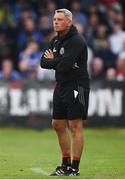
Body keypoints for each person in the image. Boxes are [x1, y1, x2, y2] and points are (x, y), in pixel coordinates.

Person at [40, 8, 90, 176]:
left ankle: (74, 168)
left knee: (75, 126)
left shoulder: (77, 41)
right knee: (57, 124)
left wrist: (54, 60)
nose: (55, 21)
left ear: (69, 22)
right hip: (61, 85)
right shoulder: (55, 41)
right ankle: (65, 165)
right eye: (54, 18)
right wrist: (58, 61)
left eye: (60, 19)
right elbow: (42, 63)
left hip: (78, 86)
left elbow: (64, 66)